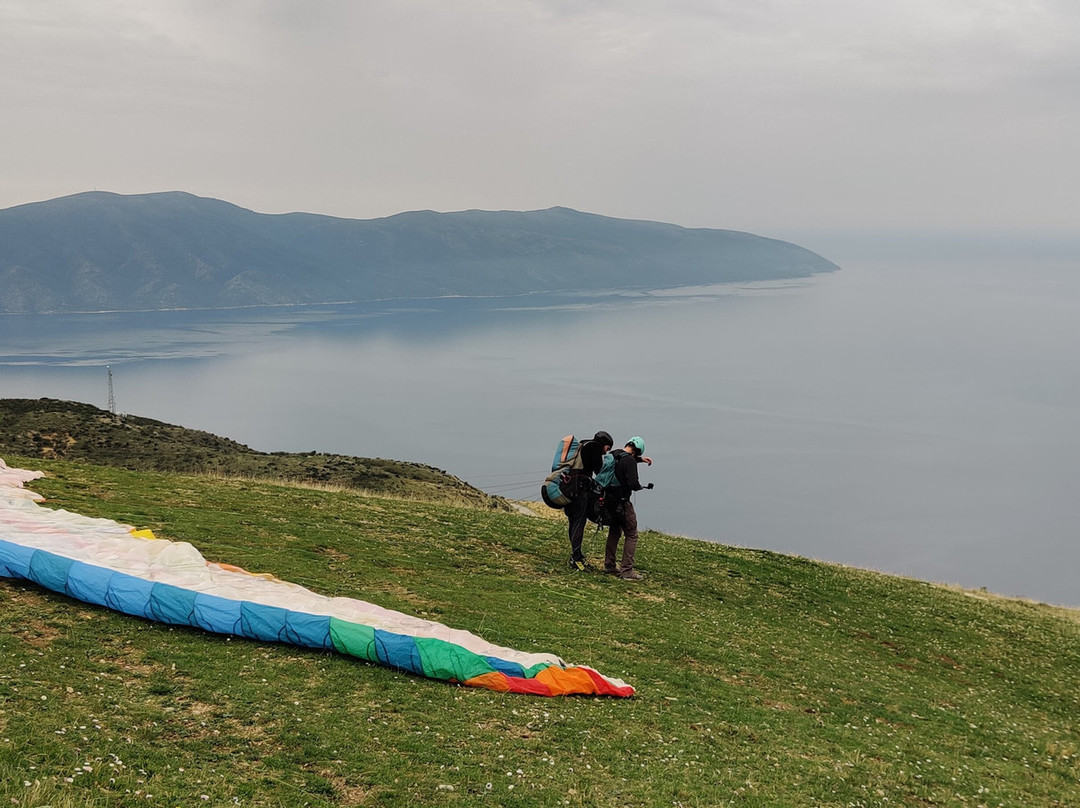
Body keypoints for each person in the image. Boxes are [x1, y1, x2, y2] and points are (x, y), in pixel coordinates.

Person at [603, 436, 653, 581]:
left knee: (615, 531)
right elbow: (633, 483)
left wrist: (641, 460)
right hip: (622, 503)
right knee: (631, 534)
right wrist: (640, 487)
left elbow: (623, 460)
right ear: (636, 452)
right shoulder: (630, 461)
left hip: (608, 500)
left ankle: (609, 565)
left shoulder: (614, 454)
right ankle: (626, 570)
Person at [564, 430, 613, 571]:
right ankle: (576, 558)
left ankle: (575, 553)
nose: (605, 452)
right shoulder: (595, 447)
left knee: (573, 521)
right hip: (580, 490)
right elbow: (599, 470)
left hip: (570, 488)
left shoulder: (583, 444)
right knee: (580, 521)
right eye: (607, 448)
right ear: (603, 443)